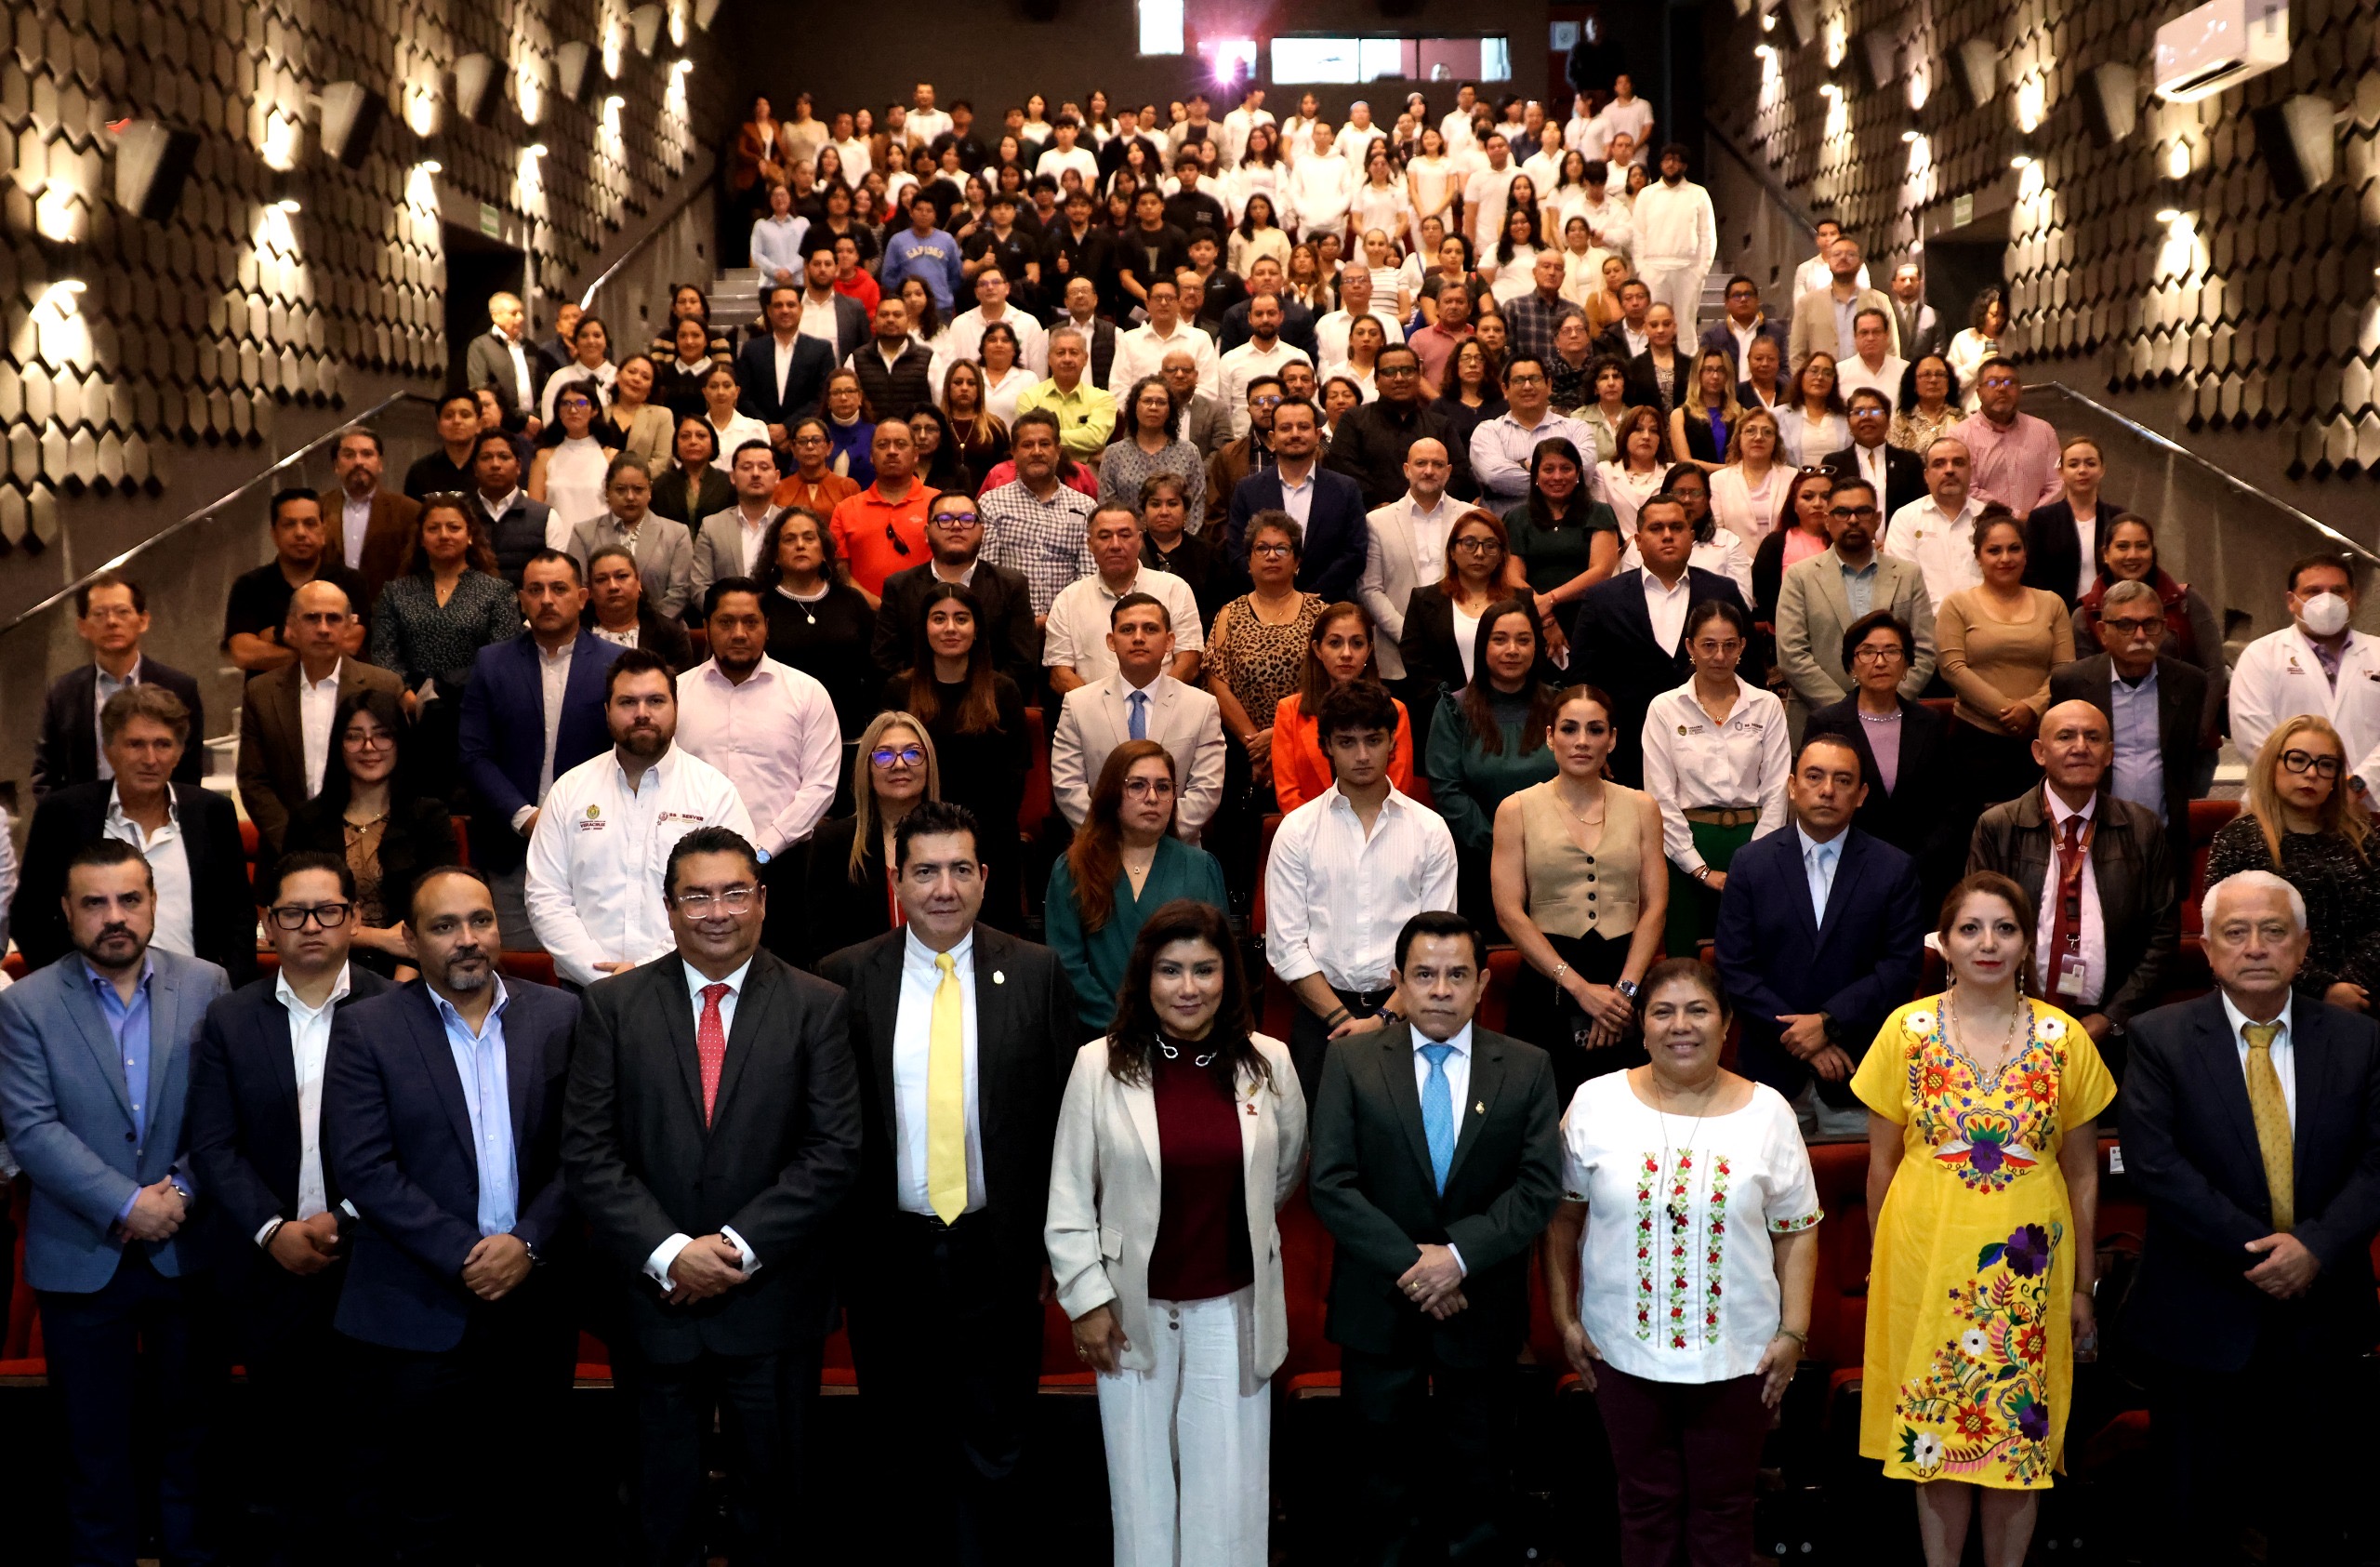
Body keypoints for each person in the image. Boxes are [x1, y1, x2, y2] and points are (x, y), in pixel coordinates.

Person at [560, 824, 863, 1567]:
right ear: (668, 907)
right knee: (658, 1510)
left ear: (763, 900)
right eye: (696, 895)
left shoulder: (818, 1004)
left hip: (773, 1300)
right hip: (652, 1302)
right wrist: (671, 1253)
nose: (717, 910)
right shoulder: (613, 1006)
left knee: (775, 1508)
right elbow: (589, 1152)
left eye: (734, 892)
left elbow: (833, 1151)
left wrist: (733, 1248)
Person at [813, 800, 1075, 1562]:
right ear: (897, 881)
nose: (944, 887)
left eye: (961, 868)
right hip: (887, 1253)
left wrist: (1054, 1247)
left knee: (998, 1440)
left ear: (986, 877)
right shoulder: (844, 978)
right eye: (925, 871)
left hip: (999, 1251)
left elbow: (1063, 1119)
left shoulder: (1037, 972)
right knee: (901, 1446)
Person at [1852, 870, 2113, 1565]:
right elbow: (1880, 1166)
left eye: (2005, 928)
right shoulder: (1905, 1030)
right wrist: (1883, 1266)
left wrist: (2084, 1284)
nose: (1987, 943)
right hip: (1924, 1262)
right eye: (1970, 928)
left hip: (2026, 1271)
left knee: (2018, 1440)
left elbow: (2084, 1173)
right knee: (1934, 1435)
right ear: (1944, 942)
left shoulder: (2063, 1038)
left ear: (2027, 943)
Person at [323, 865, 580, 1564]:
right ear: (409, 939)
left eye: (481, 920)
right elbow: (364, 1168)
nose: (468, 938)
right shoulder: (366, 1028)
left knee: (530, 1508)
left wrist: (527, 1243)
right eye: (444, 926)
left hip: (534, 1308)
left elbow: (585, 1152)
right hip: (417, 1308)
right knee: (425, 1514)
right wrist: (469, 1254)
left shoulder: (559, 1016)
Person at [2122, 870, 2380, 1566]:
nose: (2256, 947)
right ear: (2207, 949)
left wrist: (2314, 1248)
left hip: (2323, 1320)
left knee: (2316, 1527)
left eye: (2273, 931)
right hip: (2199, 1323)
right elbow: (2155, 1165)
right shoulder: (2158, 1036)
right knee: (2195, 1531)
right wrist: (2269, 1252)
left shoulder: (2361, 1040)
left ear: (2303, 946)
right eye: (2236, 932)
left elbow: (2378, 1163)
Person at [1541, 959, 1822, 1567]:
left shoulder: (1769, 1112)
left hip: (1740, 1357)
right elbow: (1562, 1220)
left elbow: (1798, 1231)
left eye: (1698, 1010)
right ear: (1641, 1026)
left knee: (1724, 1513)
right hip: (1622, 1352)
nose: (1681, 1025)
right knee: (1644, 1506)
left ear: (1727, 1023)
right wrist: (1565, 1319)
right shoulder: (1595, 1102)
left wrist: (1793, 1332)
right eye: (1663, 1012)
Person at [1048, 893, 1301, 1567]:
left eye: (1205, 969)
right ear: (1145, 976)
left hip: (1234, 1308)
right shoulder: (1098, 1065)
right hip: (1130, 1313)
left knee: (1230, 1504)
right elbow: (1068, 1197)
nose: (1188, 987)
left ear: (1228, 977)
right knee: (1143, 1501)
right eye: (1170, 970)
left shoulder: (1269, 1062)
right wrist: (1087, 1301)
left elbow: (1281, 1173)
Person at [0, 840, 233, 1567]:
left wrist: (183, 1190)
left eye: (130, 899)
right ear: (66, 911)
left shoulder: (208, 983)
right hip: (81, 1256)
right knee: (92, 1454)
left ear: (154, 902)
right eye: (94, 902)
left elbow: (226, 1113)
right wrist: (129, 1202)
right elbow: (31, 1128)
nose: (114, 916)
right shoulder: (25, 1003)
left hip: (187, 1250)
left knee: (191, 1446)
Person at [1306, 909, 1562, 1563]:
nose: (1441, 990)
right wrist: (1417, 1266)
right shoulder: (1352, 1061)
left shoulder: (1527, 1066)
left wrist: (1457, 1258)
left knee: (1480, 1486)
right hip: (1379, 1307)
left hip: (1481, 1304)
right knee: (1380, 1490)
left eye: (1456, 975)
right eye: (1424, 975)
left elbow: (1537, 1188)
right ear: (1398, 982)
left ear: (1483, 983)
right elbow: (1331, 1183)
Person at [184, 850, 392, 1561]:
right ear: (266, 923)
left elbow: (415, 1141)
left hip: (373, 1262)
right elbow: (214, 1144)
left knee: (370, 1456)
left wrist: (347, 1216)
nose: (310, 925)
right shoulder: (229, 1016)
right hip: (265, 1270)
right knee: (281, 1459)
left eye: (327, 910)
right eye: (293, 912)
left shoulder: (395, 1009)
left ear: (353, 918)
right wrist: (273, 1229)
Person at [1715, 733, 1925, 1135]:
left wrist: (1829, 1023)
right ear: (1792, 786)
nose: (1828, 790)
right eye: (1814, 777)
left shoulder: (1894, 869)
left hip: (1858, 1072)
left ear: (1861, 794)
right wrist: (1800, 1037)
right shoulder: (1750, 864)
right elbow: (1735, 969)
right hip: (1769, 1075)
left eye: (1843, 780)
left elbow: (1900, 968)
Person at [1265, 681, 1460, 1096]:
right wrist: (1343, 1022)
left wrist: (1383, 1020)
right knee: (1321, 1135)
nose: (1362, 755)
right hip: (1321, 1017)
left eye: (1373, 740)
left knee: (1411, 1134)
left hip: (1409, 1011)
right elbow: (1286, 947)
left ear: (1392, 743)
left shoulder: (1430, 829)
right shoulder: (1296, 831)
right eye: (1347, 742)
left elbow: (1437, 942)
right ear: (1327, 746)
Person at [524, 650, 753, 987]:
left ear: (676, 707)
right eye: (628, 702)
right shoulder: (569, 791)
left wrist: (646, 971)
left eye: (656, 701)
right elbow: (545, 896)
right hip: (585, 987)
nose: (642, 713)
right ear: (607, 710)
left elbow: (731, 897)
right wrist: (599, 975)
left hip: (685, 986)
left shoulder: (714, 793)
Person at [1968, 698, 2179, 1063]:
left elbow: (2163, 935)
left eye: (2093, 737)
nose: (2081, 747)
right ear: (2039, 752)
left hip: (2115, 1031)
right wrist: (2021, 1013)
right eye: (2066, 736)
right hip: (2014, 1024)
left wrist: (2112, 1018)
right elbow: (1977, 931)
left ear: (2109, 754)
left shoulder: (2142, 828)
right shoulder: (1999, 827)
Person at [456, 551, 630, 948]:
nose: (547, 600)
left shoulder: (616, 665)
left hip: (596, 844)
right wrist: (526, 817)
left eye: (559, 589)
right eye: (535, 590)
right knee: (520, 968)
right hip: (511, 848)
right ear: (522, 600)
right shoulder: (492, 663)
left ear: (582, 598)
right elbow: (473, 755)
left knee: (594, 963)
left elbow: (627, 754)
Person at [1045, 742, 1234, 1036]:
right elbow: (1067, 965)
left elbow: (1218, 960)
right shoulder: (1073, 868)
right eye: (1137, 786)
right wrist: (1121, 1025)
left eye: (1163, 787)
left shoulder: (1201, 867)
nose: (1152, 798)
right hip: (1098, 1036)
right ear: (1112, 793)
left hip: (1186, 1034)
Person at [1567, 496, 1753, 787]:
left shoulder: (1723, 592)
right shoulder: (1603, 598)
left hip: (1716, 747)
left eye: (1676, 527)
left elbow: (1749, 669)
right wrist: (1592, 739)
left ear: (1691, 537)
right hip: (1627, 750)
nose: (1667, 535)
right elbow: (1582, 679)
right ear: (1639, 541)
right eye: (1656, 528)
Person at [1642, 600, 1790, 955]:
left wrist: (1755, 859)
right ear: (1690, 647)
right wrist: (1699, 869)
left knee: (1754, 956)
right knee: (1685, 960)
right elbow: (1660, 797)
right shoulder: (1665, 708)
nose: (1719, 656)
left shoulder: (1767, 705)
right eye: (1708, 645)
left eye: (1729, 645)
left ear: (1742, 646)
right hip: (1685, 846)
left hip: (1755, 844)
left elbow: (1777, 790)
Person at [2204, 717, 2380, 1010]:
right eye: (2298, 760)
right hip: (2266, 1000)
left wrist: (2350, 987)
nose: (2311, 773)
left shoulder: (2366, 837)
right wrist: (2324, 990)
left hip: (2362, 999)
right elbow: (2228, 932)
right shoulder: (2237, 841)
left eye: (2326, 765)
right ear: (2272, 764)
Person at [281, 689, 456, 981]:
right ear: (338, 745)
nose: (369, 747)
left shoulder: (429, 816)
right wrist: (380, 938)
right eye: (354, 737)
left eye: (382, 735)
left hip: (416, 971)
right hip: (324, 971)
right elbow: (294, 913)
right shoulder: (307, 820)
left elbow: (442, 909)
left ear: (400, 742)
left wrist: (402, 986)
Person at [2050, 574, 2215, 869]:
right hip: (2092, 839)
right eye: (2126, 625)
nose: (2140, 636)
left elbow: (2184, 761)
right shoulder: (2072, 683)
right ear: (2103, 632)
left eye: (2150, 624)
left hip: (2165, 841)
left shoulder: (2190, 683)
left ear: (2163, 629)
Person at [677, 577, 842, 865]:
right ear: (706, 626)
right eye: (726, 622)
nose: (739, 634)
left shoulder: (806, 693)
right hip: (692, 860)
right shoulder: (676, 694)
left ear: (767, 627)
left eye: (751, 622)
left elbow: (820, 786)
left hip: (785, 860)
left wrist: (763, 850)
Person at [234, 578, 403, 858]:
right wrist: (294, 843)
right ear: (291, 625)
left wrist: (362, 840)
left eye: (333, 618)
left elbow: (400, 773)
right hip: (285, 854)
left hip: (371, 851)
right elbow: (254, 781)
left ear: (348, 625)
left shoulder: (385, 685)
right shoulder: (261, 693)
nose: (323, 628)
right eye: (312, 618)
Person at [1424, 601, 1561, 924]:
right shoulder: (1453, 709)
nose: (1512, 650)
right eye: (1500, 639)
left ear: (1537, 647)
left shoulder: (1561, 706)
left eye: (1523, 640)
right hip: (1479, 865)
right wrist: (1501, 848)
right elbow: (1448, 790)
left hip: (1558, 863)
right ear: (1482, 645)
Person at [1051, 592, 1229, 843]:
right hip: (1101, 848)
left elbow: (1206, 790)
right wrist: (1113, 837)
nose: (1138, 638)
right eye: (1127, 629)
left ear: (1169, 641)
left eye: (1150, 629)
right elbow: (1068, 786)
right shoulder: (1079, 704)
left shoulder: (1201, 706)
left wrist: (1156, 838)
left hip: (1176, 848)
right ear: (1111, 641)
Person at [1937, 510, 2075, 812]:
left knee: (2039, 825)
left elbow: (2065, 670)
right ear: (1978, 557)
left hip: (2040, 738)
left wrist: (2031, 709)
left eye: (2014, 548)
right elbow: (1952, 669)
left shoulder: (2052, 603)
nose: (2005, 558)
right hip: (1974, 738)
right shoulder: (1957, 604)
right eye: (1994, 550)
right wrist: (2008, 712)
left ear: (2026, 554)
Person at [1776, 476, 1938, 712]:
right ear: (1827, 520)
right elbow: (1792, 655)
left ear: (1877, 519)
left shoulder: (1908, 575)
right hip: (1817, 717)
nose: (1852, 520)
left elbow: (1923, 651)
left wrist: (1886, 702)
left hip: (1895, 714)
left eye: (1862, 512)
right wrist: (1847, 712)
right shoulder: (1800, 576)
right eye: (1842, 512)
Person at [34, 573, 205, 798]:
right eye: (99, 614)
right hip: (84, 817)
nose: (112, 622)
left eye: (122, 612)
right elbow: (45, 773)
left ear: (143, 621)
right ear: (82, 626)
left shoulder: (180, 689)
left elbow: (189, 773)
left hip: (160, 816)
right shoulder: (63, 693)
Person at [793, 710, 935, 965]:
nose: (899, 765)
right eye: (884, 755)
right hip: (860, 984)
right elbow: (824, 946)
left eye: (913, 753)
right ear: (866, 769)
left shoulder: (957, 839)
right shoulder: (833, 843)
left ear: (929, 766)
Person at [2227, 552, 2380, 781]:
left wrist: (2358, 786)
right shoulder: (2261, 655)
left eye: (2338, 591)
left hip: (2368, 797)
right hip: (2286, 796)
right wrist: (2306, 784)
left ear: (2353, 598)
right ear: (2291, 601)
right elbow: (2252, 735)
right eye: (2314, 591)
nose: (2327, 601)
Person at [873, 490, 1040, 684]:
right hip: (915, 699)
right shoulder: (899, 587)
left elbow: (1023, 662)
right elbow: (884, 661)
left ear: (982, 532)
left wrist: (981, 696)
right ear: (927, 533)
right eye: (944, 519)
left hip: (992, 699)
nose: (956, 526)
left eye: (967, 519)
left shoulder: (1011, 586)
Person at [1270, 600, 1419, 812]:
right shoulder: (1289, 710)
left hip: (1381, 825)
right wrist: (1319, 828)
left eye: (1357, 643)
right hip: (1309, 828)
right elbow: (1288, 794)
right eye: (1335, 643)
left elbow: (1398, 790)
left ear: (1369, 650)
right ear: (1318, 649)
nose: (1347, 653)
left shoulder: (1396, 710)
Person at [1046, 503, 1206, 692]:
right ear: (1090, 544)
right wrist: (1098, 706)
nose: (1115, 545)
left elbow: (1189, 662)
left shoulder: (1174, 589)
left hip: (1166, 706)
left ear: (1139, 540)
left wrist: (1151, 703)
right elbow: (1060, 674)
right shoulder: (1068, 600)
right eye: (1105, 536)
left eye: (1124, 535)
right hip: (1091, 708)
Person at [1223, 396, 1368, 600]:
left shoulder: (1345, 489)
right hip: (1265, 603)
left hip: (1327, 604)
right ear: (1273, 437)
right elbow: (1237, 552)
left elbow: (1354, 552)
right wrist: (1274, 591)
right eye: (1285, 428)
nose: (1295, 434)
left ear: (1318, 435)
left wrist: (1311, 597)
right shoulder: (1248, 490)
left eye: (1303, 427)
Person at [757, 507, 879, 738]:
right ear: (775, 555)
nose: (800, 545)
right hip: (778, 732)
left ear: (824, 551)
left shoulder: (851, 600)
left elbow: (875, 667)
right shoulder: (761, 605)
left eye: (809, 538)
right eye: (789, 539)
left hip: (848, 730)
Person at [223, 488, 371, 674]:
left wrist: (277, 635)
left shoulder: (350, 581)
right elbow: (244, 654)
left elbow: (350, 644)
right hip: (270, 691)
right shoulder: (249, 586)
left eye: (310, 524)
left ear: (324, 532)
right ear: (274, 534)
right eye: (289, 524)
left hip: (341, 689)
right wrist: (320, 652)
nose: (300, 533)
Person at [978, 410, 1099, 616]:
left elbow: (1088, 575)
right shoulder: (991, 504)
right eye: (1027, 445)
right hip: (1010, 622)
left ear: (1058, 450)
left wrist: (1059, 619)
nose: (1036, 452)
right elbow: (987, 575)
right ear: (1013, 452)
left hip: (1069, 620)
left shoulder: (1084, 506)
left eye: (1044, 444)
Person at [1501, 433, 1620, 644]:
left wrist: (1550, 599)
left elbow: (1601, 572)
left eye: (1566, 468)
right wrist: (1546, 617)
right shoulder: (1516, 518)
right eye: (1549, 469)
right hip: (1532, 618)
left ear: (1578, 473)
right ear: (1535, 475)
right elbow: (1512, 576)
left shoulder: (1599, 513)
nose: (1557, 476)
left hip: (1589, 617)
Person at [568, 452, 694, 623]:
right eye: (621, 489)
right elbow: (578, 589)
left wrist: (646, 627)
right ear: (607, 491)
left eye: (638, 489)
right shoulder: (583, 533)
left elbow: (680, 592)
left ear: (650, 491)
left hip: (663, 630)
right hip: (599, 629)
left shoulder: (676, 534)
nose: (630, 497)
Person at [826, 419, 939, 604]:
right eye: (882, 445)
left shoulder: (939, 504)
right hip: (863, 613)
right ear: (871, 456)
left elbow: (951, 564)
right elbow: (840, 572)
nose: (892, 451)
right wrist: (878, 606)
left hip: (928, 610)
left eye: (901, 444)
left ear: (916, 455)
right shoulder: (845, 509)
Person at [321, 428, 426, 610]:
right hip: (329, 613)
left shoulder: (409, 511)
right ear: (336, 465)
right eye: (349, 455)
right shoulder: (318, 508)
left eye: (367, 454)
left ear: (380, 464)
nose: (358, 462)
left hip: (390, 614)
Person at [1470, 355, 1593, 503]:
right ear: (1505, 390)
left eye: (1535, 379)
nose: (1527, 386)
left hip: (1569, 517)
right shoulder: (1488, 431)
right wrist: (1558, 479)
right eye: (1518, 380)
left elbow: (1585, 470)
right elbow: (1494, 476)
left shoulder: (1576, 428)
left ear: (1549, 385)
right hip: (1505, 518)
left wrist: (1524, 465)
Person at [1884, 435, 1984, 611]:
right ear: (1926, 475)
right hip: (1924, 623)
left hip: (1983, 620)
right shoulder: (1905, 519)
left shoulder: (1988, 517)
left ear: (1970, 471)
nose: (1949, 470)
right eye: (1939, 464)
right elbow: (1902, 584)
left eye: (1958, 463)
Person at [1952, 359, 2062, 521]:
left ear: (2020, 390)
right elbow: (1967, 489)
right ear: (1979, 393)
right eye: (1993, 383)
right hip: (1982, 528)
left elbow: (2057, 484)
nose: (2002, 388)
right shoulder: (1960, 436)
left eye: (2010, 382)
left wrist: (2034, 519)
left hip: (2039, 528)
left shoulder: (2043, 431)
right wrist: (2015, 516)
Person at [1099, 376, 1209, 532]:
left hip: (1179, 541)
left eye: (1161, 402)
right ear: (1134, 406)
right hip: (1126, 539)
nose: (1153, 407)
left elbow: (1196, 506)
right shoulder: (1114, 453)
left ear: (1170, 409)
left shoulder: (1189, 452)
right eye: (1147, 401)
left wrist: (1181, 541)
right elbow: (1107, 505)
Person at [692, 440, 787, 609]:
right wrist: (728, 614)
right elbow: (699, 586)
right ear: (732, 477)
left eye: (764, 467)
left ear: (777, 476)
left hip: (781, 619)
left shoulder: (790, 523)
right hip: (725, 619)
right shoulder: (712, 526)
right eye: (746, 467)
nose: (755, 474)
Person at [1628, 144, 1715, 323]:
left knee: (1685, 326)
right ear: (1661, 164)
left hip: (1688, 270)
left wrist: (1701, 271)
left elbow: (1707, 235)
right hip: (1653, 269)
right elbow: (1638, 234)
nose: (1671, 164)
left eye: (1676, 160)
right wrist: (1642, 268)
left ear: (1684, 165)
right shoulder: (1647, 194)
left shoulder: (1698, 194)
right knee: (1655, 323)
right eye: (1667, 159)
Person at [1787, 233, 1897, 367]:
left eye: (1850, 254)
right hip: (1824, 378)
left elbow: (1892, 351)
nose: (1843, 258)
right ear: (1828, 262)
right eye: (1837, 254)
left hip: (1868, 378)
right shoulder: (1807, 303)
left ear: (1861, 263)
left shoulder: (1879, 301)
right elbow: (1797, 355)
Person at [1822, 386, 1925, 518]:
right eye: (1858, 412)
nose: (1866, 417)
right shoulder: (1833, 463)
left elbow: (1919, 509)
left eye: (1875, 411)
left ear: (1888, 421)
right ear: (1848, 422)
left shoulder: (1909, 462)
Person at [467, 290, 552, 435]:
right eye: (513, 313)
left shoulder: (530, 347)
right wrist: (522, 419)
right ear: (496, 316)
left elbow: (545, 384)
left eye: (521, 312)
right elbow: (481, 388)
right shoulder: (481, 346)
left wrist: (535, 416)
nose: (521, 318)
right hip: (500, 429)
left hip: (535, 429)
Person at [652, 415, 737, 527]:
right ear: (676, 445)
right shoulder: (661, 484)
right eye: (685, 436)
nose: (693, 441)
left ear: (713, 444)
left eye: (701, 436)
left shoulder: (727, 483)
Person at [403, 390, 487, 498]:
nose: (456, 421)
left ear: (479, 425)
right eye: (448, 416)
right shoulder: (420, 471)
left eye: (465, 415)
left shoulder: (491, 467)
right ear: (438, 426)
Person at [1699, 273, 1790, 374]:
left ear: (1757, 299)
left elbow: (1785, 371)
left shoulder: (1776, 333)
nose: (1743, 299)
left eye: (1748, 294)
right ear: (1726, 302)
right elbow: (1703, 372)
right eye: (1737, 295)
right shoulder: (1713, 337)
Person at [1775, 351, 1850, 467]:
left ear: (1834, 381)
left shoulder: (1846, 417)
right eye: (1814, 371)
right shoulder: (1778, 415)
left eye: (1827, 373)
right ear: (1801, 376)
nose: (1820, 377)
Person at [1947, 290, 2008, 414]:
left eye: (2003, 315)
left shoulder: (2010, 340)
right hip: (1972, 412)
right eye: (1994, 314)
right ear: (1983, 313)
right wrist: (1980, 363)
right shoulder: (1964, 339)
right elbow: (1952, 381)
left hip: (2004, 412)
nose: (1999, 320)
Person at [1889, 352, 1963, 455]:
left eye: (1940, 374)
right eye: (1926, 374)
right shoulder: (1899, 425)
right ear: (1913, 383)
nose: (1933, 380)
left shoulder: (1962, 421)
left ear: (1949, 383)